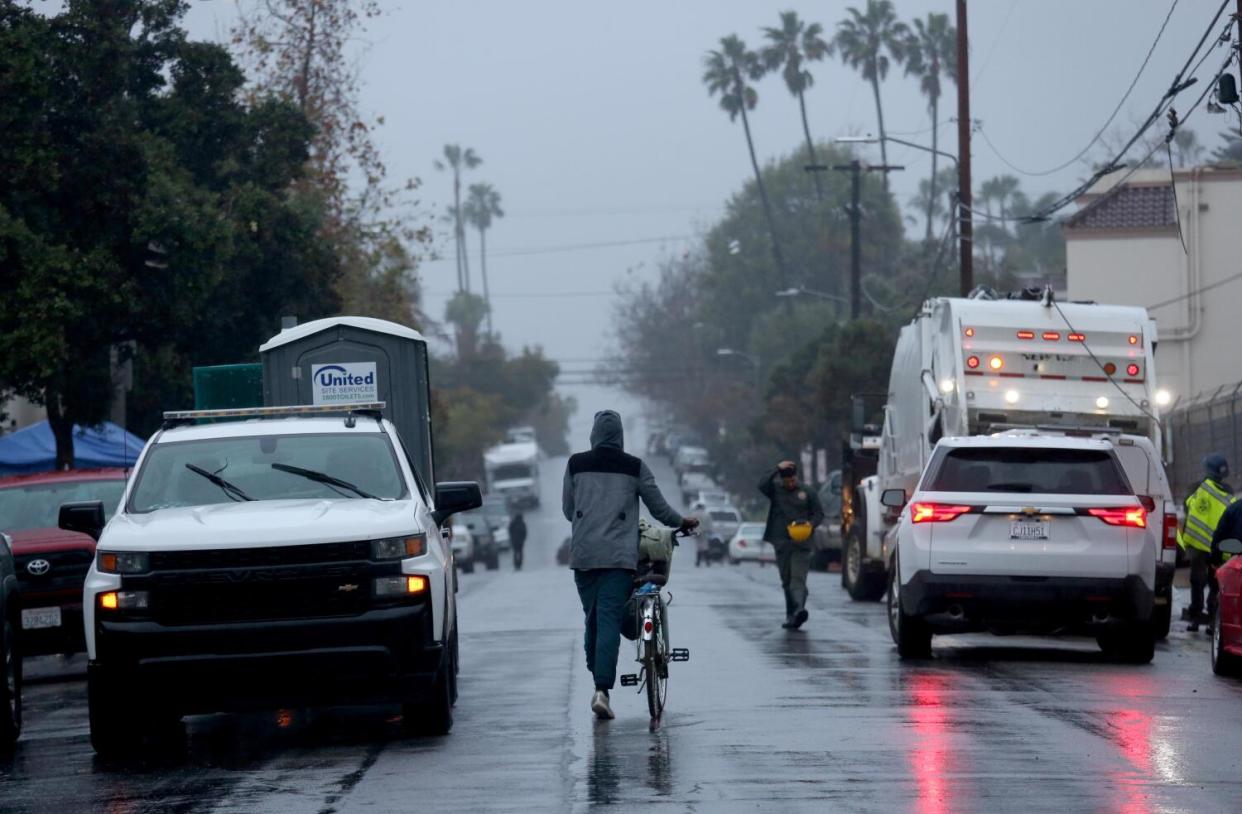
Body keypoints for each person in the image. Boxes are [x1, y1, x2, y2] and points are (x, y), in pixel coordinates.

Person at [563, 410, 697, 720]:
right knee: (609, 617)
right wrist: (682, 522)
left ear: (594, 434)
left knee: (593, 618)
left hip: (583, 556)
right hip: (618, 558)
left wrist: (590, 521)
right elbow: (659, 508)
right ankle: (602, 689)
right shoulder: (634, 467)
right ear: (620, 436)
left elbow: (569, 510)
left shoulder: (575, 464)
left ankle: (598, 674)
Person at [759, 460, 824, 630]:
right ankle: (791, 615)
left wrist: (811, 524)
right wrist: (776, 467)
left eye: (793, 479)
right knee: (786, 581)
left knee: (797, 579)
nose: (791, 483)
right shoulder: (775, 490)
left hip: (801, 543)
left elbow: (819, 513)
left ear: (797, 476)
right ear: (782, 479)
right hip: (781, 542)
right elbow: (761, 484)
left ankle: (799, 610)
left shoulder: (807, 492)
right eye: (787, 480)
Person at [1179, 453, 1235, 632]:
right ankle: (1212, 621)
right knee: (1215, 583)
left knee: (1197, 581)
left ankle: (1196, 619)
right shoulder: (1229, 492)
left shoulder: (1198, 487)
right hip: (1218, 546)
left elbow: (1186, 505)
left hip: (1198, 544)